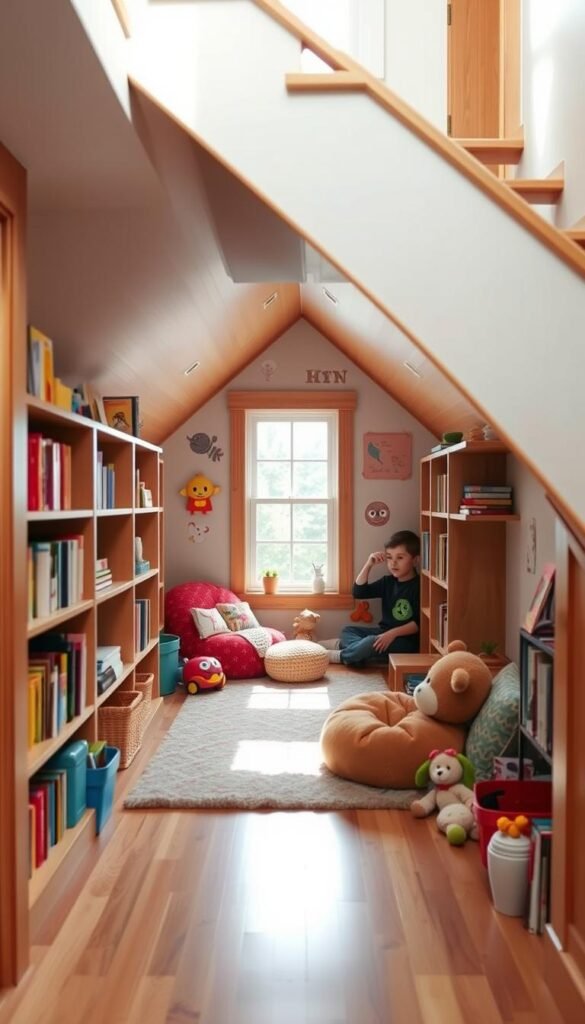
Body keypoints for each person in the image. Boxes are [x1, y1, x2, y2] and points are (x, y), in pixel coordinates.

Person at [326, 529, 420, 666]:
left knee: (371, 641)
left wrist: (391, 634)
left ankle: (341, 655)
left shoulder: (419, 586)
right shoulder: (388, 582)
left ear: (415, 560)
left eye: (400, 558)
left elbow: (418, 624)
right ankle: (359, 654)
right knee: (348, 630)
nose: (393, 563)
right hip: (383, 633)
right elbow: (359, 592)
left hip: (404, 640)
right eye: (389, 557)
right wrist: (368, 564)